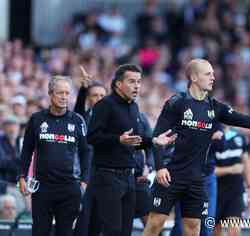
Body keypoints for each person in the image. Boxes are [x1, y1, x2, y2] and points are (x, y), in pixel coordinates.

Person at [142, 58, 250, 236]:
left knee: (193, 228)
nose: (213, 77)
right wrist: (160, 167)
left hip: (197, 179)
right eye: (208, 74)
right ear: (194, 77)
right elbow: (157, 137)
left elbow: (244, 120)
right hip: (170, 175)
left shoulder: (214, 107)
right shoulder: (176, 102)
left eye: (213, 73)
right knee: (155, 225)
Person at [86, 64, 176, 236]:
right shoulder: (104, 105)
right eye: (132, 81)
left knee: (125, 231)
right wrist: (117, 139)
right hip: (107, 176)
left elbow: (135, 141)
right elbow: (91, 137)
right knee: (113, 230)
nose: (137, 86)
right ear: (118, 84)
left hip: (129, 177)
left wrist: (154, 141)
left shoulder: (133, 107)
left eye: (139, 82)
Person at [18, 76, 90, 236]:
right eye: (60, 93)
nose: (64, 97)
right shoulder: (37, 119)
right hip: (42, 187)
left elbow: (86, 153)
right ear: (50, 94)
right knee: (39, 231)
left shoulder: (77, 121)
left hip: (69, 188)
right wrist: (22, 176)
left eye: (67, 93)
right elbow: (26, 150)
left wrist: (84, 181)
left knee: (64, 232)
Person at [73, 66, 106, 236]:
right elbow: (77, 110)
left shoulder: (113, 118)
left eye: (102, 95)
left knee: (98, 220)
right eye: (95, 95)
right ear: (88, 98)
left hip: (105, 175)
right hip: (85, 174)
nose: (99, 98)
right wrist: (83, 88)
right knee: (83, 218)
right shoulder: (82, 117)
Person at [170, 129, 221, 236]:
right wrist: (209, 136)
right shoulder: (184, 115)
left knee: (207, 223)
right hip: (185, 175)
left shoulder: (214, 114)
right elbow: (182, 141)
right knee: (180, 224)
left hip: (206, 177)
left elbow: (221, 144)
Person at [213, 126, 250, 236]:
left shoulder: (240, 136)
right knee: (215, 230)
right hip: (215, 190)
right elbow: (208, 171)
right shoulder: (211, 138)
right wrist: (231, 169)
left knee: (234, 229)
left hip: (236, 190)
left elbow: (246, 161)